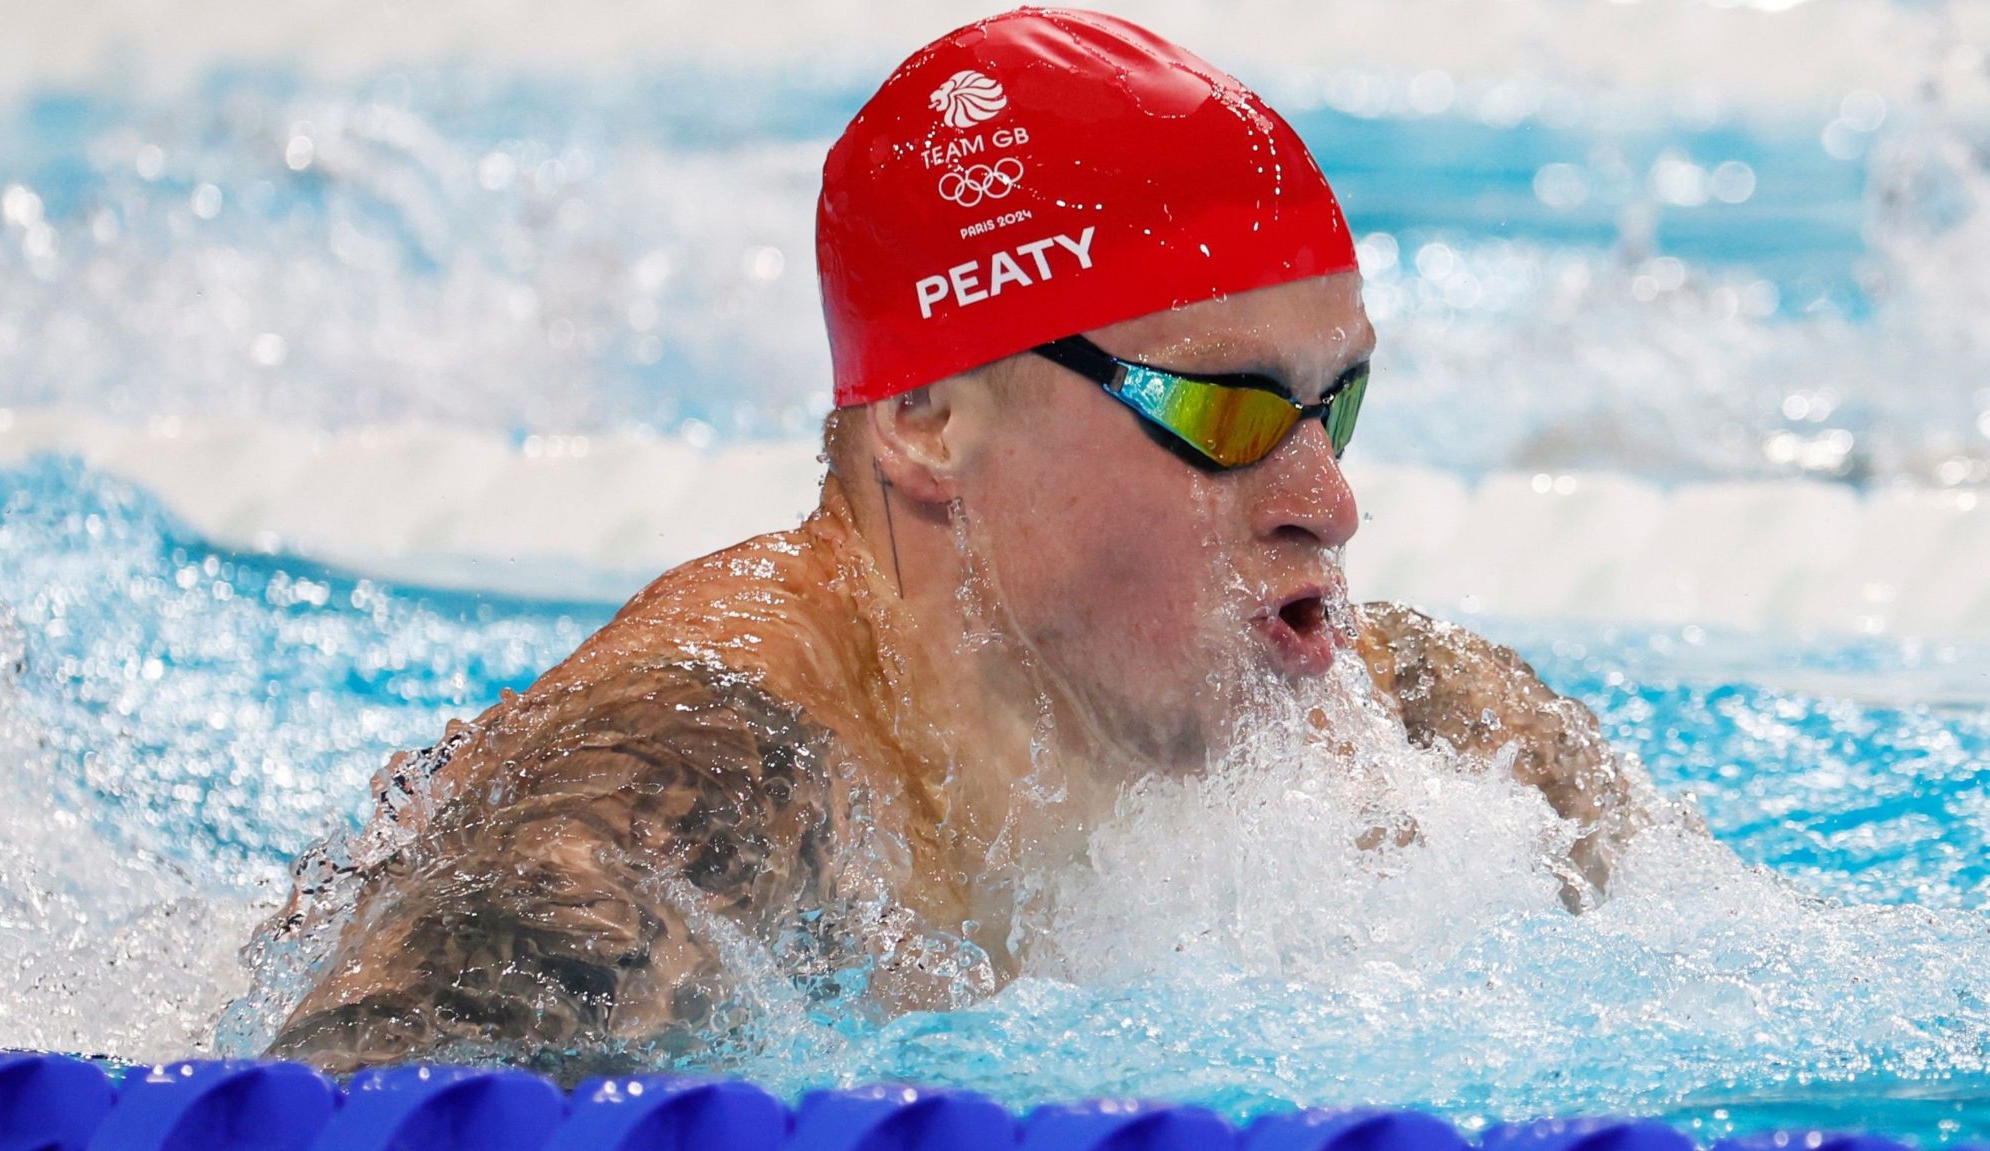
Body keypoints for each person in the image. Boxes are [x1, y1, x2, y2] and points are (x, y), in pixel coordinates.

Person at [262, 7, 1643, 1075]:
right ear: (929, 422)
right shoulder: (702, 768)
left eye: (1337, 402)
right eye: (1224, 410)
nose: (1328, 501)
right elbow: (351, 1110)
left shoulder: (1414, 730)